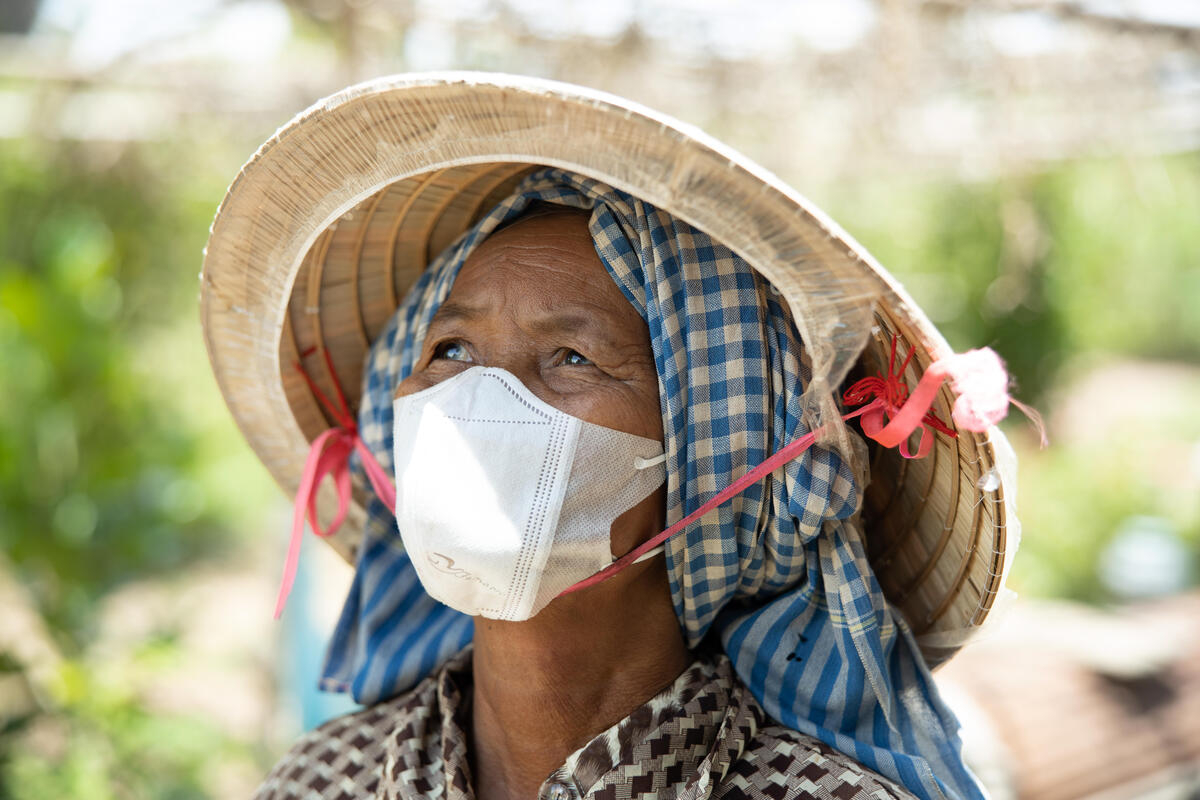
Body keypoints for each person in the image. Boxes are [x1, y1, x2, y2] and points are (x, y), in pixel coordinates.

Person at [201, 75, 1023, 800]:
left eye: (572, 357)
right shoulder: (320, 783)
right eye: (450, 350)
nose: (480, 398)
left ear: (711, 459)